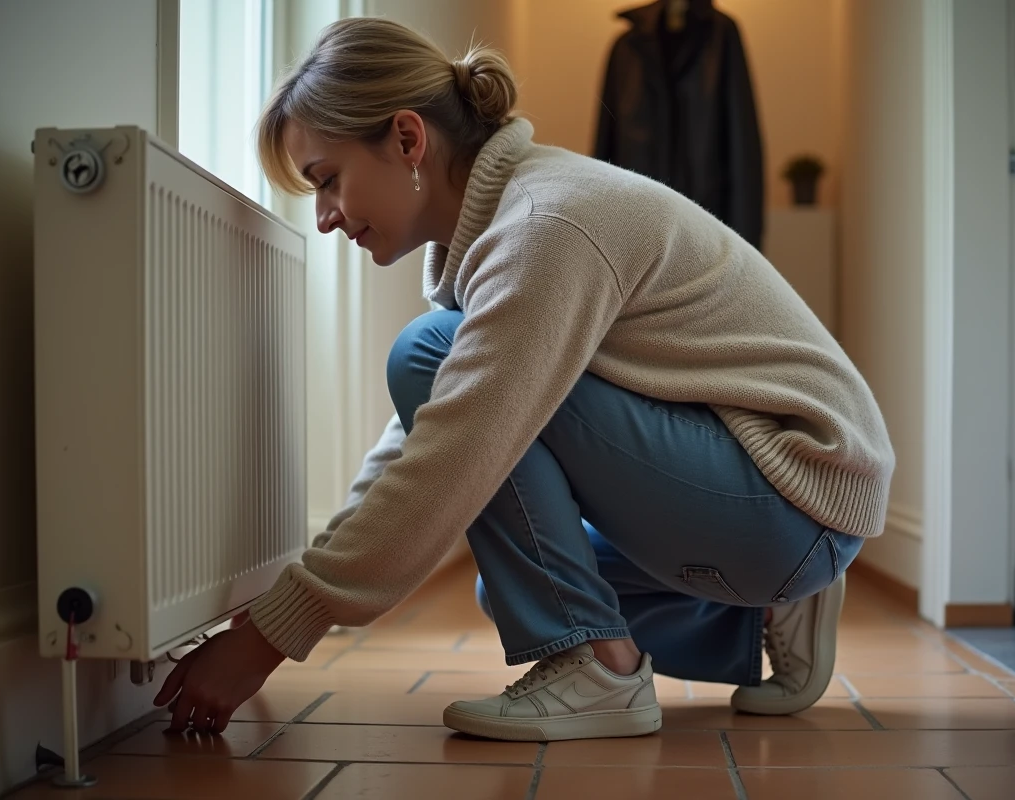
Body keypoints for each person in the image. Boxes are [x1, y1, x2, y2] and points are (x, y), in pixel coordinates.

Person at [153, 17, 895, 742]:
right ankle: (758, 613)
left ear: (408, 139)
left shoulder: (545, 226)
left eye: (327, 180)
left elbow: (454, 450)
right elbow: (423, 444)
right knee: (522, 579)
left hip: (789, 488)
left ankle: (600, 675)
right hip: (789, 505)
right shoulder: (514, 225)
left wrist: (274, 635)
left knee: (430, 360)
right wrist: (302, 588)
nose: (324, 217)